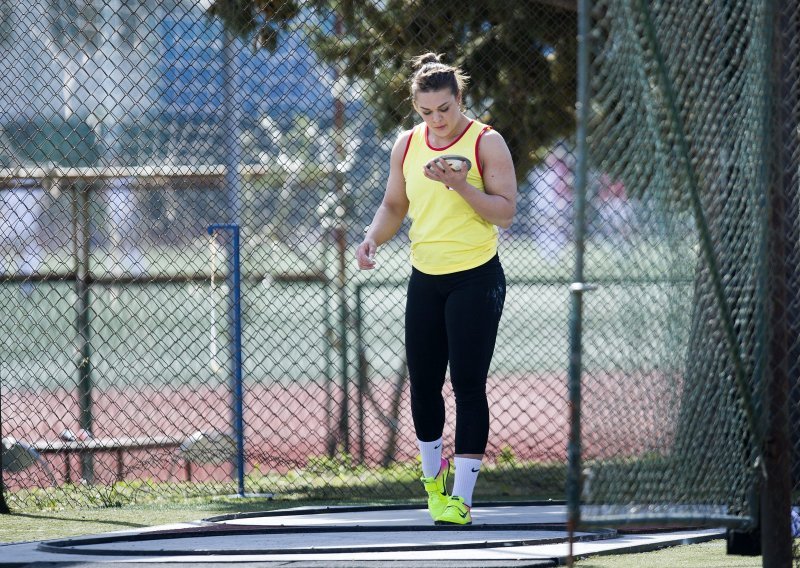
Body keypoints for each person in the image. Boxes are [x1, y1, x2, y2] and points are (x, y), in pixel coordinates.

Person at [356, 53, 517, 525]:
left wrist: (460, 185)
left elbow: (505, 213)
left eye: (444, 109)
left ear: (460, 99)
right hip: (425, 279)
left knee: (467, 385)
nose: (436, 120)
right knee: (423, 385)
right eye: (426, 112)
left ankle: (463, 497)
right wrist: (371, 238)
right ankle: (434, 486)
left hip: (476, 277)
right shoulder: (406, 145)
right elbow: (392, 205)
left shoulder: (487, 143)